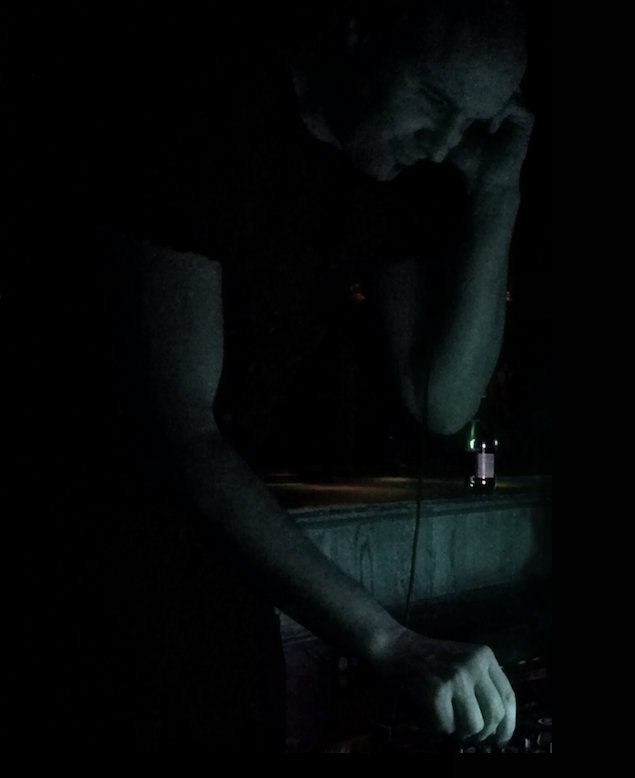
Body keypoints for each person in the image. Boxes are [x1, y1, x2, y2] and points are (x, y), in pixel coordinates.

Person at [5, 0, 540, 752]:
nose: (445, 143)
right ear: (358, 26)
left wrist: (498, 193)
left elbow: (443, 401)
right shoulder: (202, 110)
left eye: (472, 123)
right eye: (433, 100)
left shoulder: (393, 172)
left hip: (228, 567)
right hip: (81, 550)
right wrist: (388, 642)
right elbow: (178, 432)